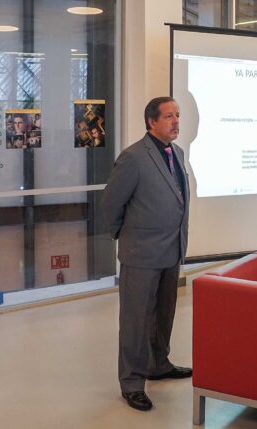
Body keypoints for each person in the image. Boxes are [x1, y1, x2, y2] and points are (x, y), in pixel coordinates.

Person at [101, 96, 190, 412]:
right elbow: (111, 204)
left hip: (171, 250)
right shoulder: (133, 157)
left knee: (163, 316)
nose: (176, 121)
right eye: (169, 116)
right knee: (136, 321)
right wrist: (124, 236)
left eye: (178, 115)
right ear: (151, 121)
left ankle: (158, 365)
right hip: (140, 254)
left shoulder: (177, 153)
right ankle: (132, 383)